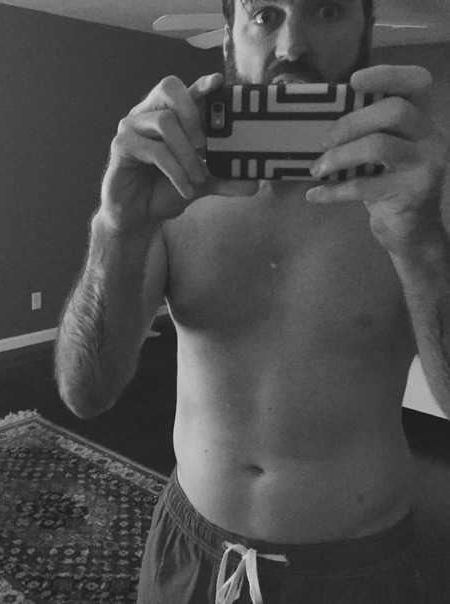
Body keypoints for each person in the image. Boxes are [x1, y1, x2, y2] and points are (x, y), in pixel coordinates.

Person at [54, 0, 450, 602]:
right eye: (265, 13)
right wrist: (117, 227)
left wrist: (420, 242)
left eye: (327, 10)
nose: (292, 45)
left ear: (366, 31)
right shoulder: (176, 188)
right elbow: (85, 393)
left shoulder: (418, 193)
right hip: (188, 551)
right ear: (228, 38)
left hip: (356, 571)